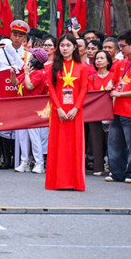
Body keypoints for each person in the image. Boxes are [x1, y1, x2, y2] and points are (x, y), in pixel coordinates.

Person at [45, 33, 88, 191]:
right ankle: (58, 181)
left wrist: (76, 108)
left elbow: (83, 89)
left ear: (74, 47)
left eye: (68, 45)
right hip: (59, 112)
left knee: (74, 145)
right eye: (62, 45)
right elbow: (51, 88)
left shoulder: (82, 67)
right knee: (58, 145)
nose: (65, 48)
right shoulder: (53, 67)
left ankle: (74, 181)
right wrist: (59, 109)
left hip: (75, 112)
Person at [105, 30, 131, 184]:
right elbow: (113, 81)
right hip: (116, 109)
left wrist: (120, 95)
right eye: (119, 46)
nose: (120, 49)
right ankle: (117, 172)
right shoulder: (120, 63)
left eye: (123, 46)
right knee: (114, 142)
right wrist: (109, 85)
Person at [87, 50, 113, 176]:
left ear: (108, 61)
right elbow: (92, 95)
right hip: (95, 112)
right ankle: (98, 167)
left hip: (110, 112)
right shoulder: (91, 78)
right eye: (97, 58)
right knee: (96, 139)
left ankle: (112, 167)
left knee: (111, 140)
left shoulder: (113, 77)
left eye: (102, 58)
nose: (99, 60)